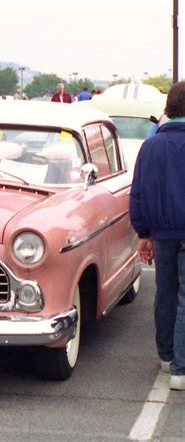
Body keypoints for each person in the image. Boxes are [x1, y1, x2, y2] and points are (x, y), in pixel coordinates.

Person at [129, 80, 185, 391]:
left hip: (161, 232)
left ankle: (166, 357)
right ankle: (181, 367)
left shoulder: (150, 147)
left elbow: (138, 193)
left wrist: (143, 232)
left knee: (165, 293)